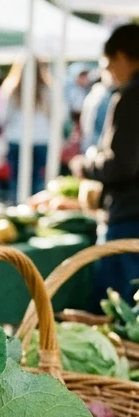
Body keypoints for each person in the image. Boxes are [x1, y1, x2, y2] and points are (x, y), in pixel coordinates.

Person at [70, 23, 139, 301]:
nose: (109, 71)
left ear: (121, 56)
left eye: (109, 63)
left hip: (128, 215)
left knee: (114, 305)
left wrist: (85, 166)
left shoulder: (132, 96)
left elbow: (122, 164)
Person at [0, 59, 53, 198]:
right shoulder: (47, 89)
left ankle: (19, 203)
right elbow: (57, 115)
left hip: (17, 138)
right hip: (40, 139)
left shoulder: (12, 88)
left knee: (17, 180)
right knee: (37, 179)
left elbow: (3, 116)